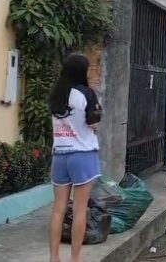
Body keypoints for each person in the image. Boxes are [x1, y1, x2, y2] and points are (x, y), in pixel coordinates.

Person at [48, 53, 102, 262]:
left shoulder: (57, 94)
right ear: (82, 71)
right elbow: (94, 124)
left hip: (60, 155)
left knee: (58, 210)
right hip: (82, 155)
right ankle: (75, 259)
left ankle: (54, 258)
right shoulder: (86, 94)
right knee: (80, 211)